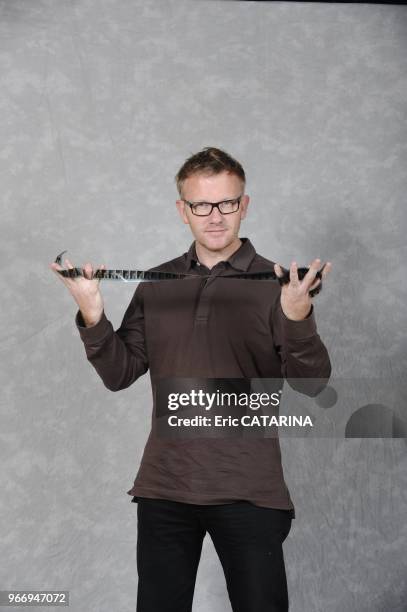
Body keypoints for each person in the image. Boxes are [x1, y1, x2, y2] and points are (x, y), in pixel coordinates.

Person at [50, 146, 332, 612]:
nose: (215, 216)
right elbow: (120, 374)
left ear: (244, 205)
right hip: (164, 488)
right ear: (183, 211)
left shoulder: (282, 285)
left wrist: (298, 316)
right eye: (201, 204)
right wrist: (93, 315)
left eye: (226, 203)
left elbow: (314, 385)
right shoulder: (156, 283)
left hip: (250, 491)